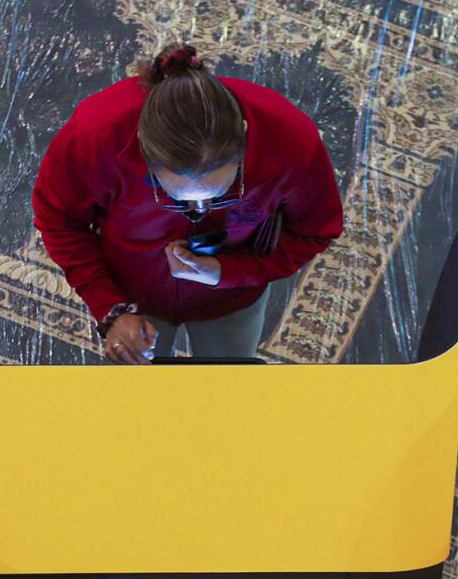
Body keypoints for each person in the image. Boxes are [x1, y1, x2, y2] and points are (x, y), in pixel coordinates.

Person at [33, 43, 343, 362]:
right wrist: (111, 308)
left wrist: (229, 272)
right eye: (178, 200)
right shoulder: (93, 137)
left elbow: (315, 231)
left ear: (244, 136)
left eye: (219, 196)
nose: (200, 212)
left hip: (234, 297)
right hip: (132, 292)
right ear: (143, 149)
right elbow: (58, 221)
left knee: (227, 386)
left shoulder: (294, 144)